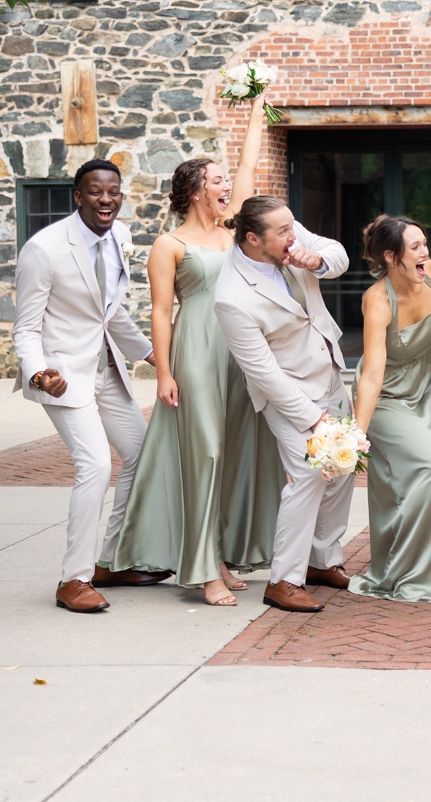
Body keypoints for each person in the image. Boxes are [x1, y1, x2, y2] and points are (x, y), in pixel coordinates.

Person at [110, 110, 282, 606]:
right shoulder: (169, 244)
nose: (227, 185)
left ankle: (223, 554)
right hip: (197, 350)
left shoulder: (234, 229)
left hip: (242, 348)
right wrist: (163, 372)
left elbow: (250, 166)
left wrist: (256, 108)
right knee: (205, 453)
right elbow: (161, 313)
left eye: (227, 180)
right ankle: (202, 568)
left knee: (234, 453)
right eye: (217, 181)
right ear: (195, 191)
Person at [14, 159, 165, 612]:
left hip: (106, 369)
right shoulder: (44, 249)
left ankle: (110, 562)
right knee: (96, 466)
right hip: (62, 377)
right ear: (77, 196)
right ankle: (73, 580)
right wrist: (39, 373)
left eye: (114, 191)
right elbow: (25, 328)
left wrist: (154, 356)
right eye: (96, 192)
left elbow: (111, 312)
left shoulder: (119, 237)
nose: (106, 199)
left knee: (143, 453)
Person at [213, 196, 354, 613]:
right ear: (253, 239)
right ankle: (283, 581)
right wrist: (314, 419)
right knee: (310, 475)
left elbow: (338, 254)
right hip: (290, 393)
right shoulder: (232, 296)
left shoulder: (286, 233)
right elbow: (263, 373)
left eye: (294, 228)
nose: (294, 236)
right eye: (284, 233)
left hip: (329, 370)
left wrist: (317, 263)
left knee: (343, 468)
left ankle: (322, 561)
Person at [347, 216, 431, 603]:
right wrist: (356, 435)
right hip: (386, 396)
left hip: (424, 387)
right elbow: (371, 373)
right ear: (390, 256)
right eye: (414, 246)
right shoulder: (377, 301)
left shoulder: (426, 275)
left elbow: (430, 343)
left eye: (423, 243)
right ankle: (408, 569)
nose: (424, 252)